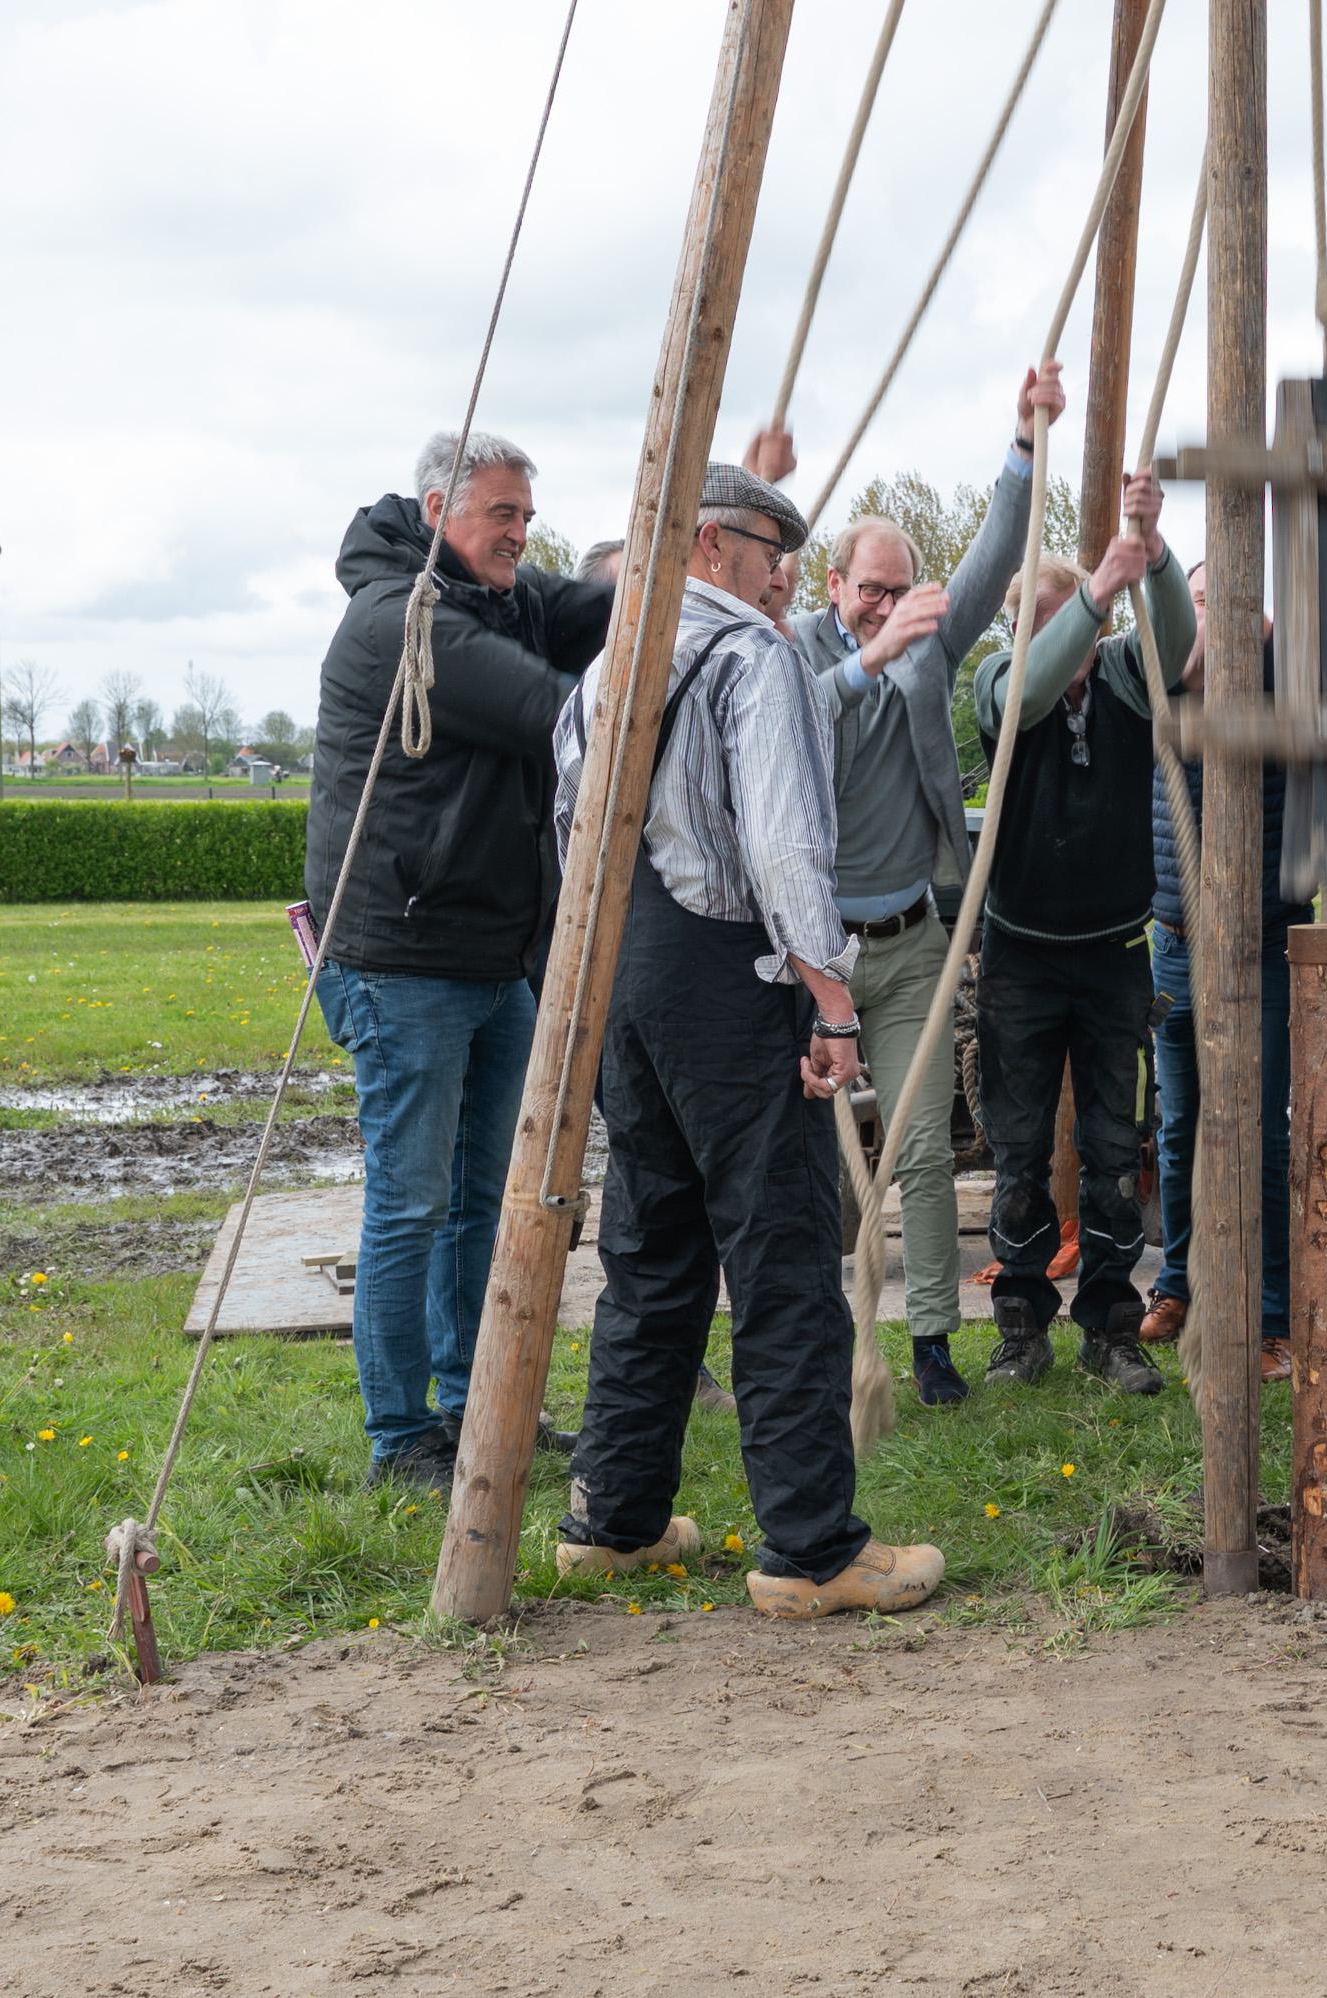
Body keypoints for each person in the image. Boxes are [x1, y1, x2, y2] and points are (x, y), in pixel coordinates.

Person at [547, 461, 943, 1621]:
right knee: (779, 1259)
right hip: (730, 976)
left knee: (655, 1254)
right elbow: (783, 849)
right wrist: (830, 1002)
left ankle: (613, 1522)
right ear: (714, 545)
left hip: (631, 973)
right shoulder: (756, 658)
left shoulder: (612, 665)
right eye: (773, 549)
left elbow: (570, 831)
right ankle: (813, 1548)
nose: (785, 574)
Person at [307, 429, 612, 1489]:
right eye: (501, 516)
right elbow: (553, 710)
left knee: (491, 1199)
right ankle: (401, 1439)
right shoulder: (408, 623)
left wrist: (693, 568)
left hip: (490, 960)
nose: (520, 536)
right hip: (404, 963)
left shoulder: (494, 601)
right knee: (410, 1202)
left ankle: (473, 1404)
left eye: (527, 516)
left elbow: (600, 608)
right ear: (439, 512)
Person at [789, 365, 1063, 1408]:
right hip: (807, 955)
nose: (889, 606)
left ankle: (937, 1341)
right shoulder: (793, 655)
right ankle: (814, 1336)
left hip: (908, 943)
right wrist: (875, 653)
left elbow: (990, 569)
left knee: (922, 1148)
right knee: (803, 1156)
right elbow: (797, 726)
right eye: (872, 588)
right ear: (833, 589)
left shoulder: (920, 649)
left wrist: (1022, 448)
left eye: (904, 589)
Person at [970, 473, 1189, 1393]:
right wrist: (1096, 589)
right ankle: (1022, 1324)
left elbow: (1179, 639)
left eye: (1068, 618)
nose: (1055, 638)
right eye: (1040, 620)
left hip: (1112, 953)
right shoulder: (1000, 683)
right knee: (1018, 1154)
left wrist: (1156, 550)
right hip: (1020, 951)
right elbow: (1028, 691)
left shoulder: (1133, 677)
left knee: (1111, 1153)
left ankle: (1112, 1327)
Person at [1142, 559, 1307, 1380]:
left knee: (1264, 1132)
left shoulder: (1281, 692)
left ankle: (1271, 1315)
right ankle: (1178, 1285)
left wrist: (1266, 645)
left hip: (1264, 940)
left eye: (1228, 605)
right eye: (1200, 602)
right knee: (1181, 1129)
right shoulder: (1164, 692)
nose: (1210, 620)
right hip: (1176, 940)